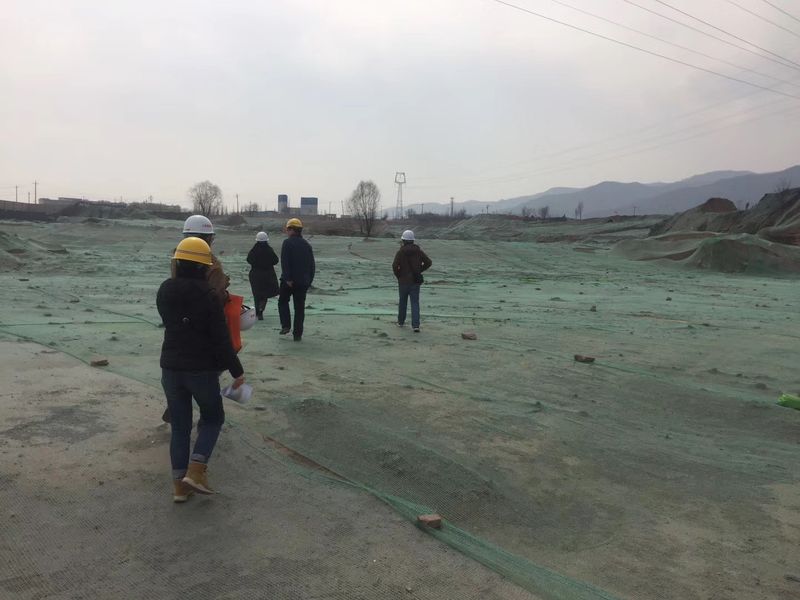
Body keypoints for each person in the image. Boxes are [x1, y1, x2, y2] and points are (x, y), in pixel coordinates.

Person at [157, 236, 245, 503]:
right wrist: (237, 371)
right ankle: (196, 470)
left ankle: (179, 487)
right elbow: (221, 338)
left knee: (180, 428)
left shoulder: (164, 289)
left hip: (170, 369)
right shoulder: (208, 296)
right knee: (213, 418)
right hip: (201, 370)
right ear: (203, 267)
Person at [162, 214, 230, 423]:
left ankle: (176, 408)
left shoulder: (177, 258)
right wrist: (225, 295)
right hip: (203, 328)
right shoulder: (210, 263)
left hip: (177, 327)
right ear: (208, 239)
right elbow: (214, 298)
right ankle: (205, 417)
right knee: (208, 369)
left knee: (180, 370)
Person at [278, 218, 315, 341]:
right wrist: (309, 281)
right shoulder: (307, 245)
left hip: (289, 281)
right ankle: (297, 334)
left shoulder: (287, 243)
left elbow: (285, 262)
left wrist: (287, 278)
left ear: (292, 229)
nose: (286, 231)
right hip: (303, 282)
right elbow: (312, 265)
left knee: (283, 302)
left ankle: (286, 325)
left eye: (288, 229)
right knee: (299, 309)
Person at [392, 229, 432, 333]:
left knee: (402, 302)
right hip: (415, 281)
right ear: (413, 240)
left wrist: (399, 276)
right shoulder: (418, 251)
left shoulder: (400, 252)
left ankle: (400, 322)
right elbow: (428, 262)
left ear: (404, 240)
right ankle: (416, 326)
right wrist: (419, 271)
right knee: (415, 303)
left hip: (403, 282)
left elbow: (394, 266)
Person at [246, 231, 279, 320]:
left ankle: (257, 311)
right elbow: (276, 260)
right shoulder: (269, 249)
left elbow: (249, 259)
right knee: (265, 294)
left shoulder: (254, 250)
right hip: (268, 275)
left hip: (255, 275)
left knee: (257, 294)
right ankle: (260, 311)